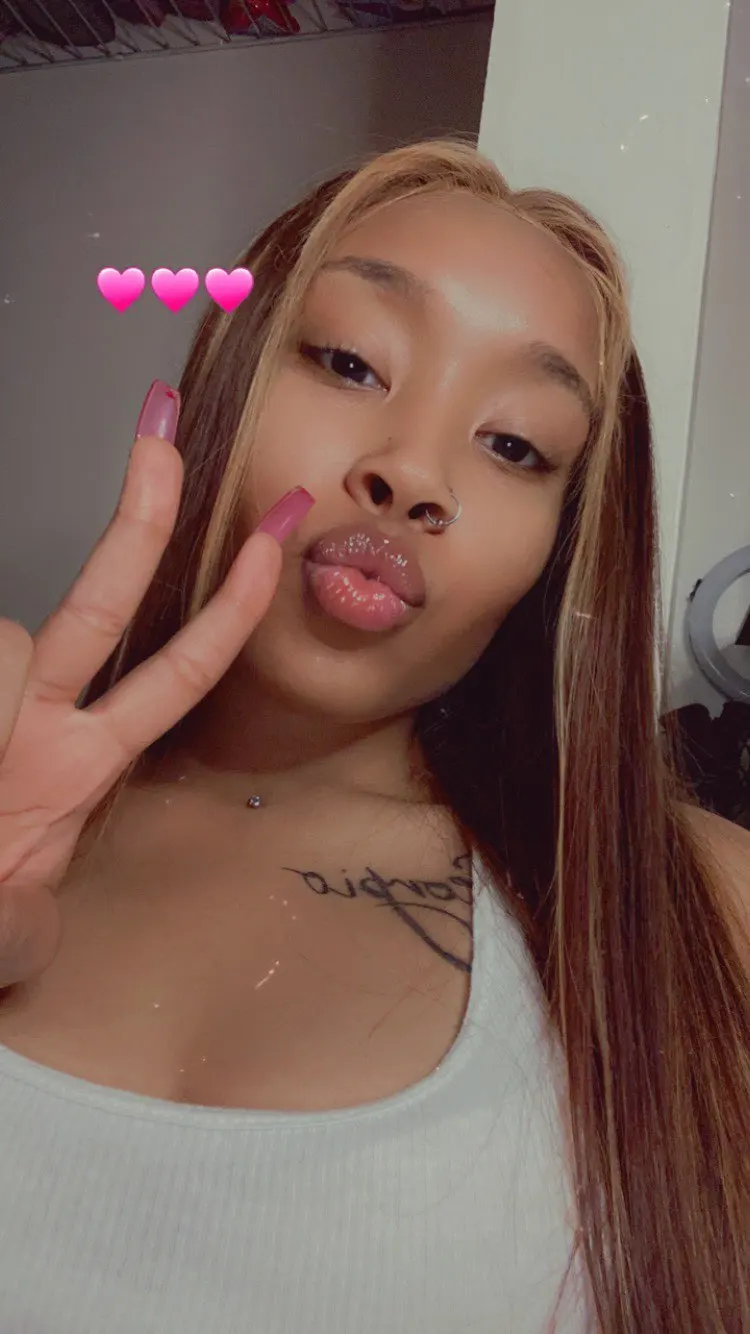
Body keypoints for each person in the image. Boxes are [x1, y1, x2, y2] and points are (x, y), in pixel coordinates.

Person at [0, 137, 748, 1334]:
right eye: (350, 362)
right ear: (230, 375)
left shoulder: (693, 907)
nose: (411, 472)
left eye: (515, 444)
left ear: (562, 545)